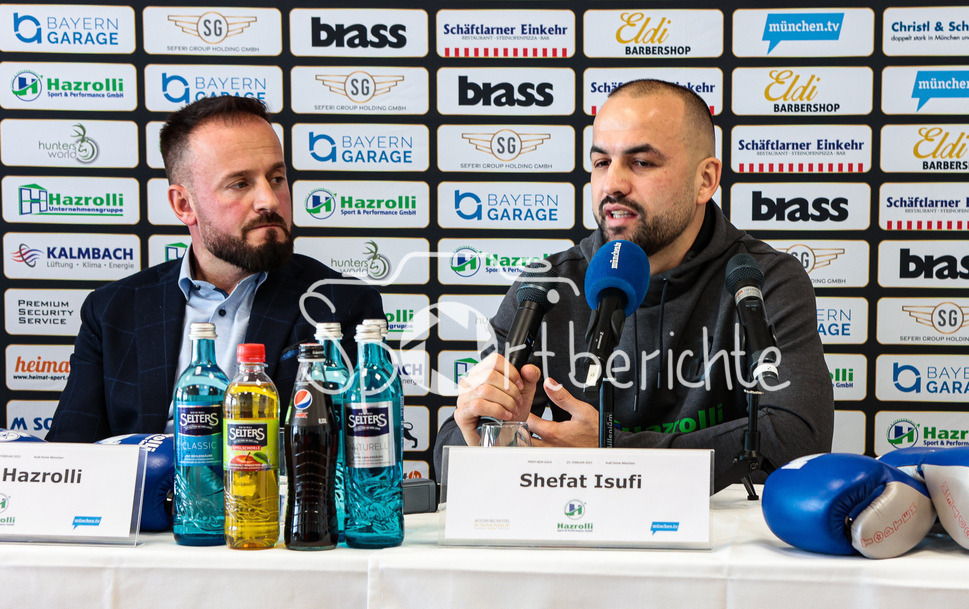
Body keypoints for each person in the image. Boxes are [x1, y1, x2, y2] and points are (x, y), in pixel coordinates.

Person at [434, 79, 833, 489]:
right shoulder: (546, 287)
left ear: (705, 180)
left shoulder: (762, 279)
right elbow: (448, 456)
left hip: (717, 544)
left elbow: (796, 438)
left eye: (641, 162)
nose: (613, 185)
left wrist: (613, 453)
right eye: (602, 162)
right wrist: (489, 438)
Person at [47, 96, 383, 442]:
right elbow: (71, 456)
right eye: (240, 184)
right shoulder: (113, 310)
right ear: (184, 204)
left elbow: (359, 454)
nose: (269, 200)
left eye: (277, 178)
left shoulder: (339, 302)